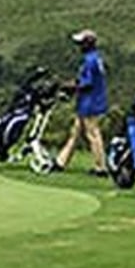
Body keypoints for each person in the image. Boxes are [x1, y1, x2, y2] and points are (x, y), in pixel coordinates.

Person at [54, 28, 109, 176]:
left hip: (90, 103)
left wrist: (70, 86)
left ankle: (101, 167)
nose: (79, 47)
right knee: (75, 132)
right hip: (89, 101)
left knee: (93, 134)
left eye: (81, 43)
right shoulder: (94, 58)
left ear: (88, 44)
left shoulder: (90, 60)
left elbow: (87, 83)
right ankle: (61, 162)